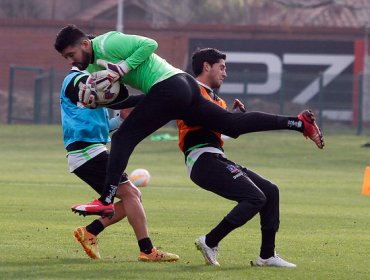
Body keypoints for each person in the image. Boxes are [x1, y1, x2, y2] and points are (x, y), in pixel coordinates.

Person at [54, 24, 324, 218]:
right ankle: (299, 123)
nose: (71, 61)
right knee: (231, 124)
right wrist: (100, 99)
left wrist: (122, 68)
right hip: (178, 88)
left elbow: (149, 45)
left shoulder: (107, 43)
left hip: (170, 86)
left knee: (123, 137)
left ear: (85, 44)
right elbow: (124, 96)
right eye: (66, 58)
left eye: (71, 54)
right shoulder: (90, 68)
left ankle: (105, 200)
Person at [177, 48, 302, 267]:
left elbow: (219, 130)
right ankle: (210, 241)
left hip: (215, 157)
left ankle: (267, 256)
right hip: (201, 160)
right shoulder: (191, 92)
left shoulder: (218, 101)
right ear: (206, 66)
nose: (225, 73)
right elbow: (202, 124)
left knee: (270, 191)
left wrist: (233, 118)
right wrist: (232, 120)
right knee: (255, 198)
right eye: (222, 67)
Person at [60, 67, 179, 262]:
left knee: (133, 196)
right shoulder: (76, 80)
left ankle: (90, 232)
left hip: (90, 151)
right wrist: (154, 96)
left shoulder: (91, 88)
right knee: (131, 195)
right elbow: (120, 99)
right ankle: (147, 251)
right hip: (87, 152)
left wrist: (120, 119)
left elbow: (103, 125)